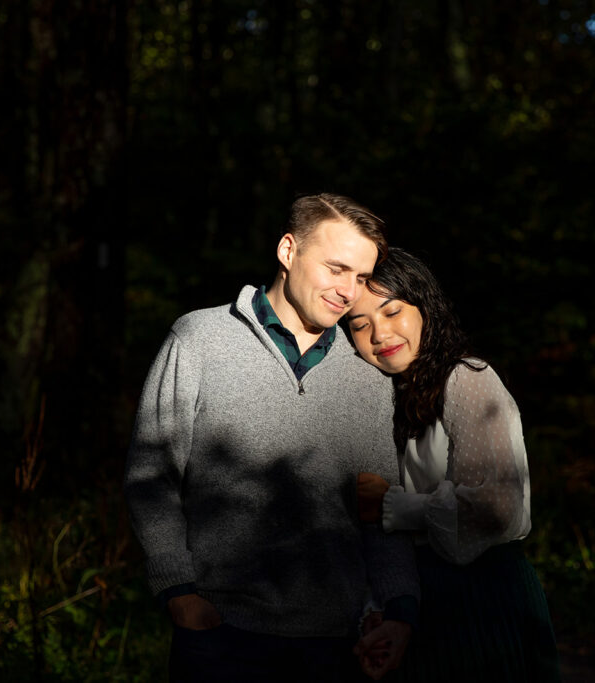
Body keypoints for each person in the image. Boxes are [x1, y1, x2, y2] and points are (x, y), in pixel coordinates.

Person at [124, 194, 420, 683]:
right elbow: (150, 476)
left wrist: (399, 609)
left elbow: (380, 513)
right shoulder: (199, 340)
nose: (349, 291)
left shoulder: (367, 376)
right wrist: (178, 591)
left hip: (334, 645)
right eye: (336, 268)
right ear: (288, 251)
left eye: (362, 278)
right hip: (220, 638)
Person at [346, 248, 561, 682]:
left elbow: (497, 506)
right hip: (419, 603)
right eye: (359, 324)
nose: (378, 333)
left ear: (424, 306)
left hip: (484, 595)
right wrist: (378, 606)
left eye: (392, 312)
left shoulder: (467, 378)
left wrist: (393, 506)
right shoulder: (383, 399)